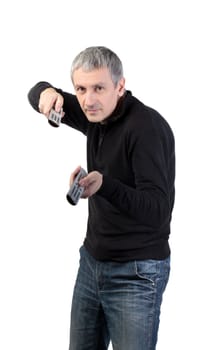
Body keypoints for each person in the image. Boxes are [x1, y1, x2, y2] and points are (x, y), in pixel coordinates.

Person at [28, 46, 175, 350]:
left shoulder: (146, 128)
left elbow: (157, 211)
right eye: (80, 89)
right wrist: (44, 93)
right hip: (92, 263)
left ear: (120, 87)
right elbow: (35, 94)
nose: (88, 100)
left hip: (137, 273)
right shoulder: (93, 113)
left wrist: (104, 185)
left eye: (99, 88)